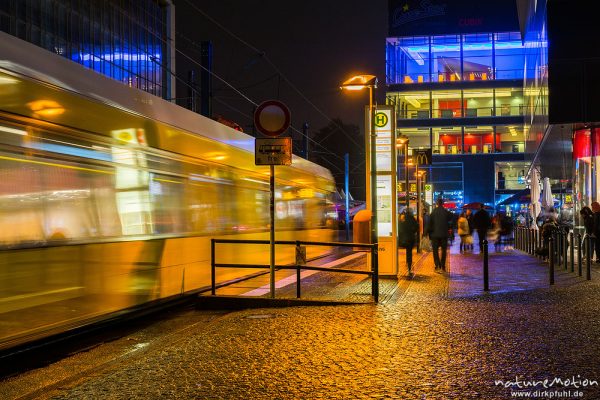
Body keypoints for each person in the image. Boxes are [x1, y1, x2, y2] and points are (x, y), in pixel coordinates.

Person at [426, 197, 451, 272]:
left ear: (437, 203)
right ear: (442, 203)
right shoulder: (446, 212)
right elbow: (451, 218)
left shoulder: (434, 212)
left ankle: (437, 265)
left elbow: (429, 223)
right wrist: (449, 227)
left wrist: (426, 232)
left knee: (435, 250)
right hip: (444, 234)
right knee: (444, 250)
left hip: (435, 235)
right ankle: (443, 265)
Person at [398, 208, 419, 276]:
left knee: (408, 251)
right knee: (409, 252)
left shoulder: (403, 219)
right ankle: (409, 266)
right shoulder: (413, 219)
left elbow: (400, 229)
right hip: (411, 238)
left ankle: (408, 263)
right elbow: (416, 227)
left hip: (404, 238)